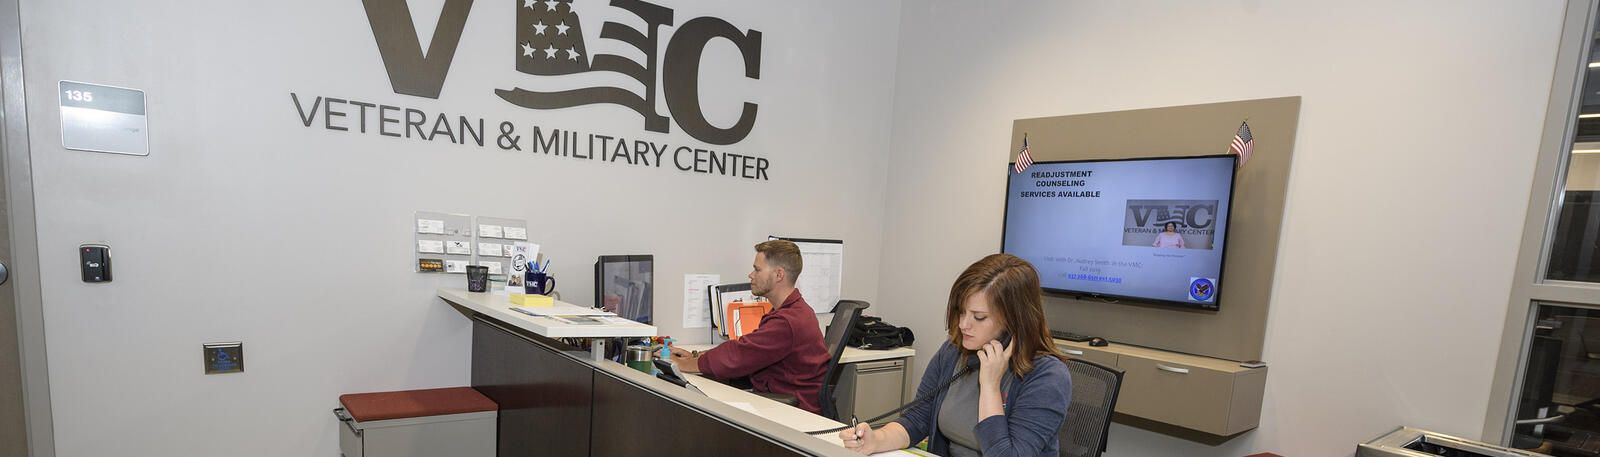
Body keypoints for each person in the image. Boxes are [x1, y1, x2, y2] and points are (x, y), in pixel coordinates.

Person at [841, 254, 1071, 457]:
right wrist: (876, 440)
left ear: (1014, 321)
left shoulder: (1048, 377)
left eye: (979, 317)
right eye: (961, 312)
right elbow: (917, 419)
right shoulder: (953, 352)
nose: (963, 325)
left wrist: (990, 387)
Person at [670, 240, 830, 414]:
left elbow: (737, 357)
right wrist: (696, 356)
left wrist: (681, 365)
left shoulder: (787, 321)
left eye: (757, 270)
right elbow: (748, 348)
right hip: (786, 402)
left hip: (794, 413)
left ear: (779, 275)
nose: (751, 275)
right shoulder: (794, 310)